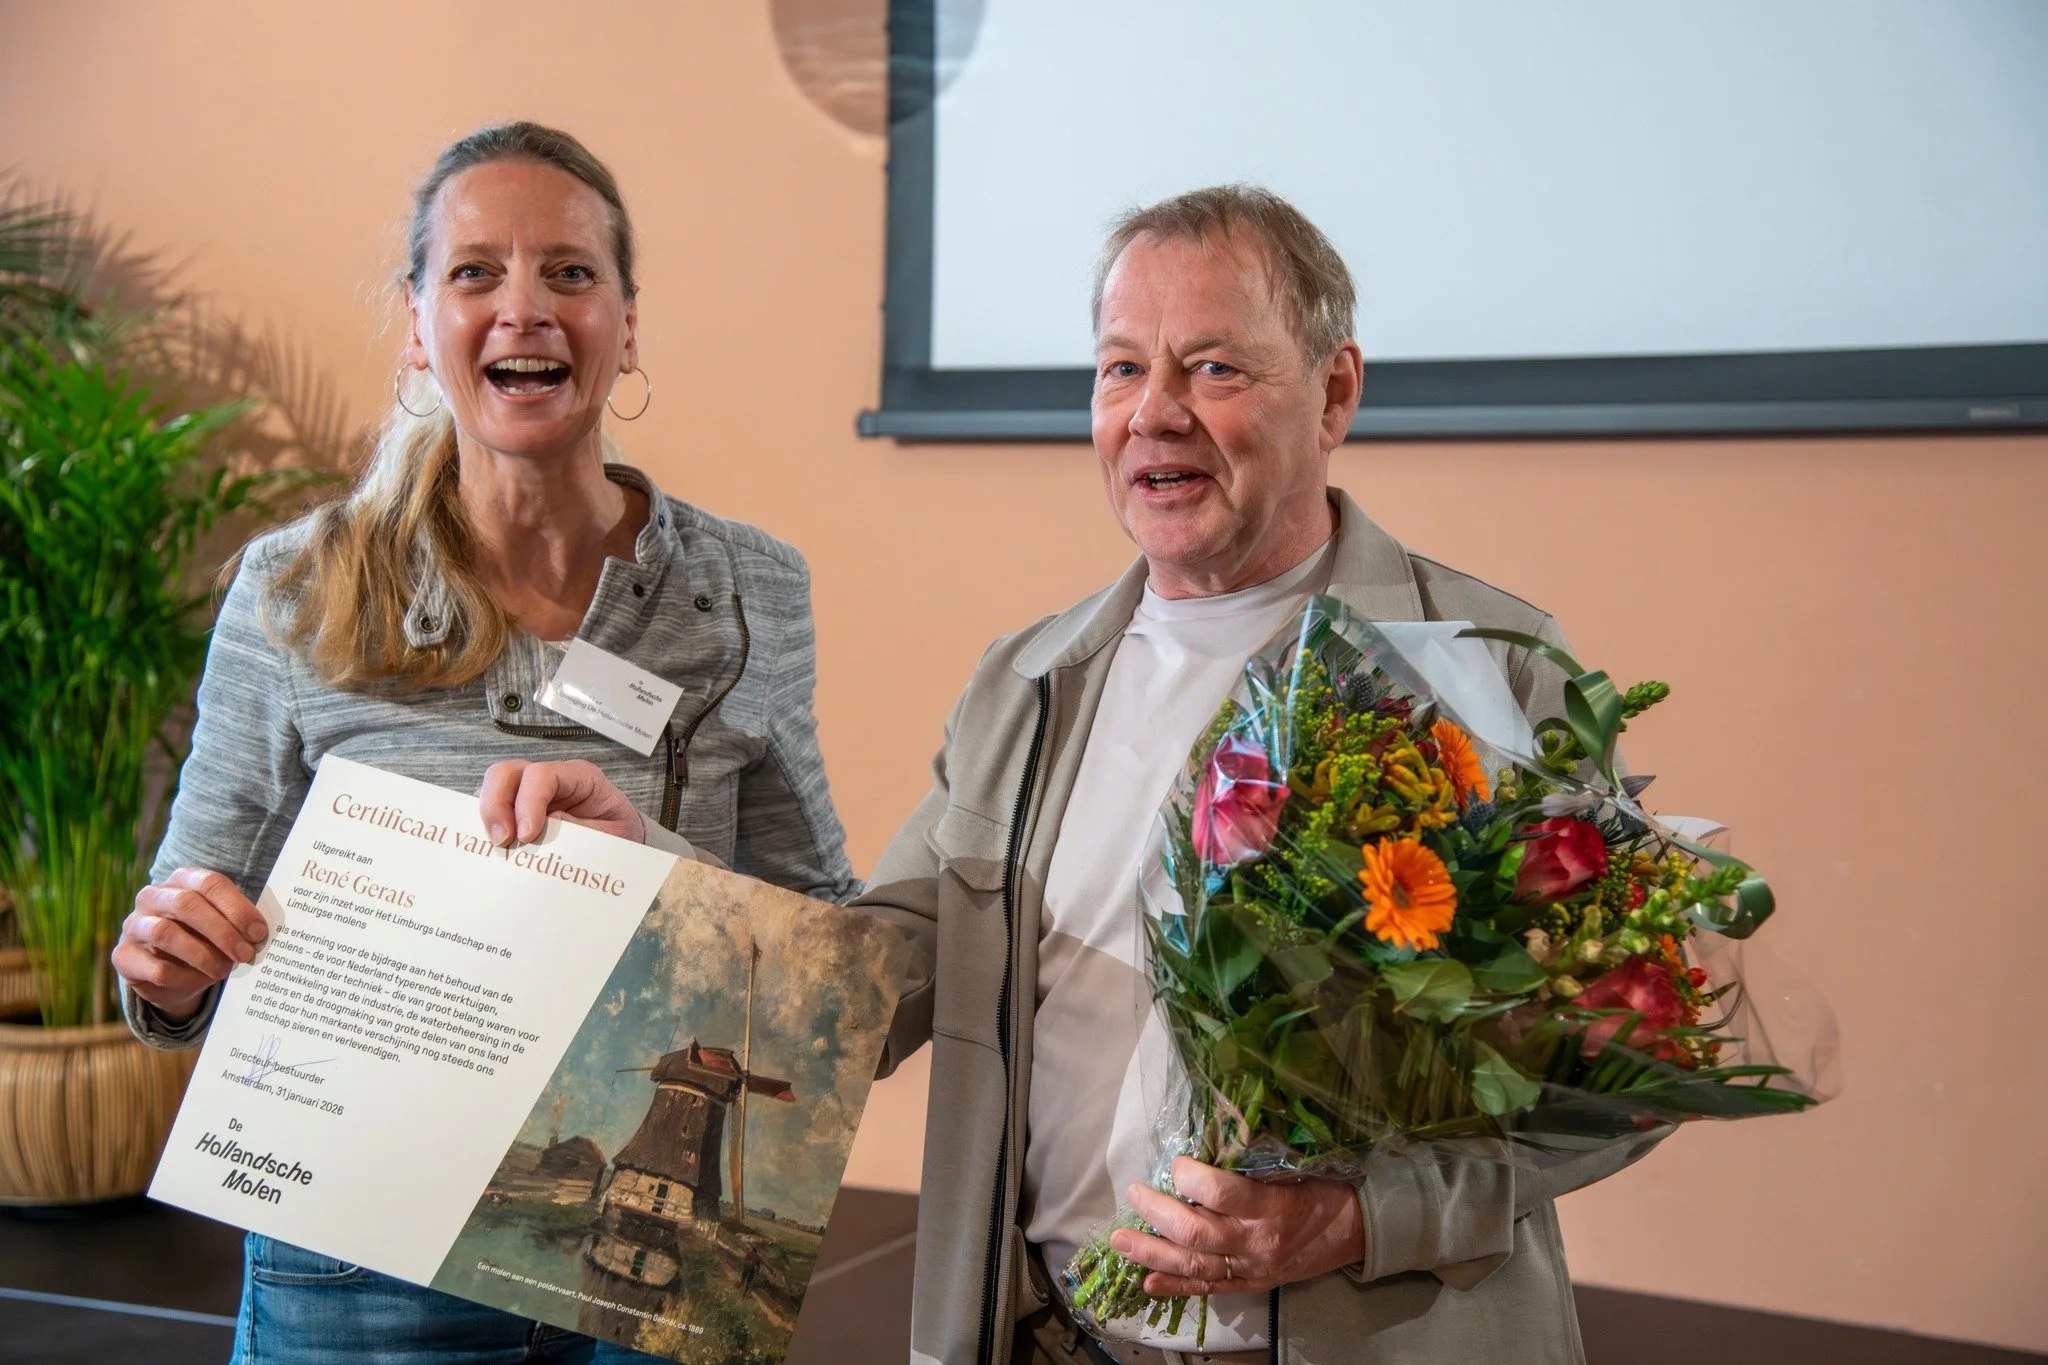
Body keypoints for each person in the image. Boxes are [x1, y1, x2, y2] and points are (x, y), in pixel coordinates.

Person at [855, 186, 1662, 1365]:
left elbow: (1630, 1056)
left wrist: (1354, 1219)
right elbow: (880, 968)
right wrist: (642, 880)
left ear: (1333, 393)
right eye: (1120, 369)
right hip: (1046, 1337)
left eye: (1213, 368)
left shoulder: (1488, 671)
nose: (1153, 413)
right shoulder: (1022, 683)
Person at [111, 122, 855, 1364]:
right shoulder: (293, 589)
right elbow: (178, 943)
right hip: (355, 1255)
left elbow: (823, 938)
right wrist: (168, 964)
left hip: (646, 1289)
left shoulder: (747, 590)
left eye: (569, 272)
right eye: (474, 274)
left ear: (627, 324)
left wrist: (656, 858)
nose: (524, 309)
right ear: (418, 324)